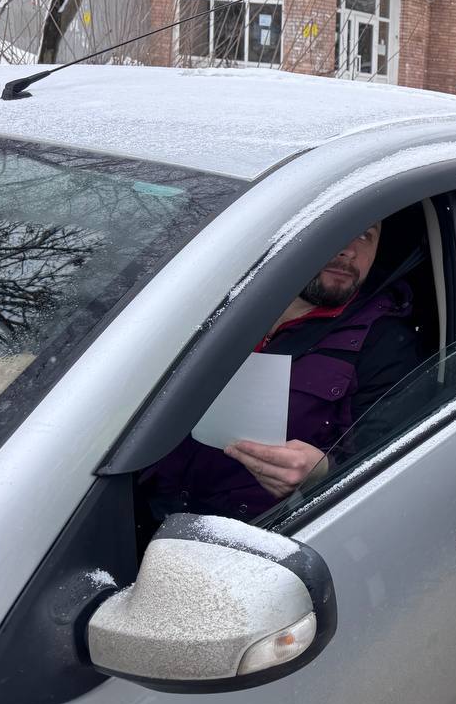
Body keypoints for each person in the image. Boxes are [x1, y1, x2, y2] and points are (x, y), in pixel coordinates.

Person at [142, 220, 422, 519]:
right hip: (142, 502)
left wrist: (323, 471)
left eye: (366, 235)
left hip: (261, 532)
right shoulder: (216, 300)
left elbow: (390, 462)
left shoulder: (384, 343)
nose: (348, 251)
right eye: (335, 231)